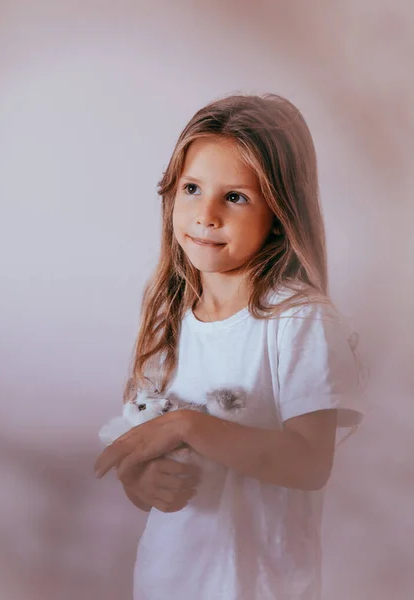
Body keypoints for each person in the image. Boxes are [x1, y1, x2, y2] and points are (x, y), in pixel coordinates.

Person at [94, 93, 366, 600]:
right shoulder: (166, 324)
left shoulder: (298, 319)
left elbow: (309, 464)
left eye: (235, 197)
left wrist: (189, 425)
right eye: (192, 188)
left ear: (280, 214)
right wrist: (142, 482)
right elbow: (143, 456)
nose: (206, 214)